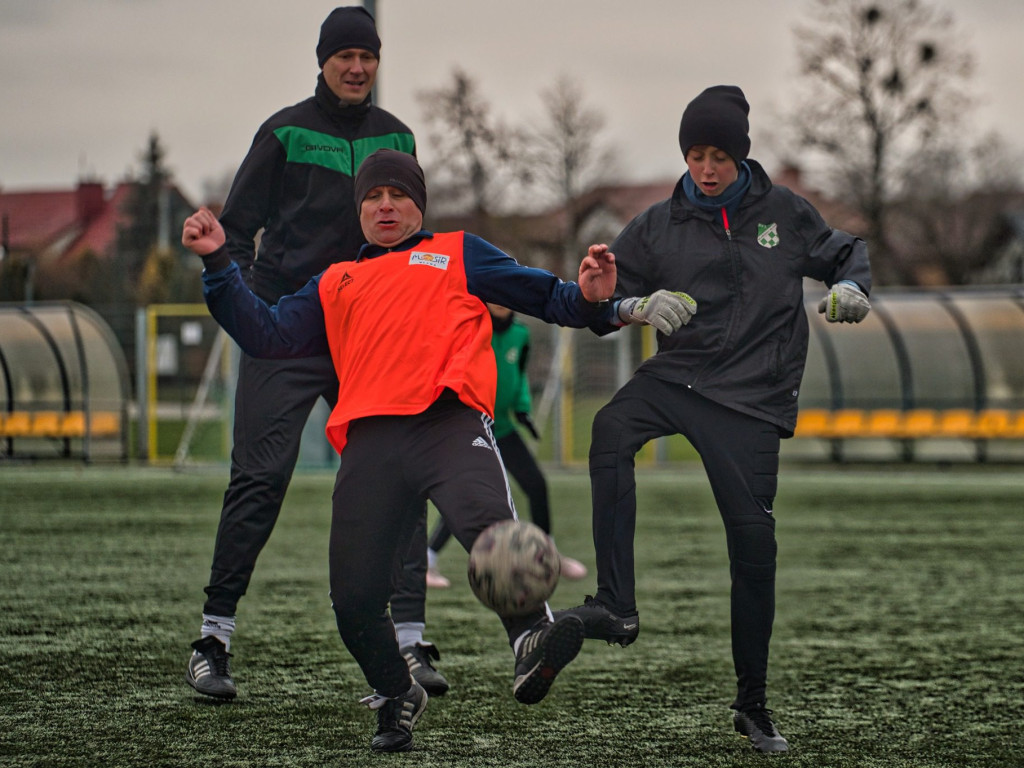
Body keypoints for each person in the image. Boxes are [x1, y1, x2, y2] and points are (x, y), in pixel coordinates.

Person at [182, 148, 695, 752]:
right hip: (369, 442)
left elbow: (552, 299)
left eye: (398, 194)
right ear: (360, 211)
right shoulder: (336, 280)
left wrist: (589, 296)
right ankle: (397, 691)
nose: (385, 205)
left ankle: (532, 638)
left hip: (447, 424)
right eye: (373, 197)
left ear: (418, 204)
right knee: (353, 602)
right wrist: (218, 261)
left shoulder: (458, 251)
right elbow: (265, 334)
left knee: (494, 534)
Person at [557, 85, 872, 754]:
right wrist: (628, 300)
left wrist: (851, 285)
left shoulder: (785, 213)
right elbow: (603, 304)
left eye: (719, 156)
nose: (705, 169)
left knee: (753, 548)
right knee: (610, 430)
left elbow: (845, 253)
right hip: (679, 377)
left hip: (753, 397)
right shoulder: (656, 224)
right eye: (695, 154)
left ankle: (753, 704)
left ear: (741, 157)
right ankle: (615, 604)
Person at [184, 6, 449, 703]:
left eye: (367, 55)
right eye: (344, 56)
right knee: (261, 476)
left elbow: (412, 231)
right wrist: (249, 308)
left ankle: (411, 645)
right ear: (323, 61)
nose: (356, 67)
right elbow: (235, 233)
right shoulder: (284, 131)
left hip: (368, 334)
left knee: (400, 474)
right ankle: (213, 640)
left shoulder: (398, 135)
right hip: (290, 327)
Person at [425, 304, 588, 589]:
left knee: (536, 485)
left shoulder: (520, 334)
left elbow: (520, 375)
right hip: (472, 428)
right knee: (465, 495)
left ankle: (546, 554)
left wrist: (523, 409)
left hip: (503, 428)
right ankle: (428, 560)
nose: (499, 300)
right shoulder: (471, 328)